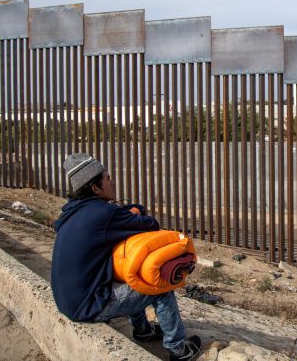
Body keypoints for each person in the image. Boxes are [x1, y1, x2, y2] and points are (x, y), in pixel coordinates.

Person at [51, 153, 202, 361]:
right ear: (95, 188)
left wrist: (131, 211)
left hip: (69, 300)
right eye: (108, 178)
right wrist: (135, 211)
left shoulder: (74, 213)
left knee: (126, 266)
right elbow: (150, 225)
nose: (112, 182)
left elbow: (127, 215)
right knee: (162, 284)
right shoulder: (105, 214)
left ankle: (143, 329)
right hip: (88, 306)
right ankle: (178, 349)